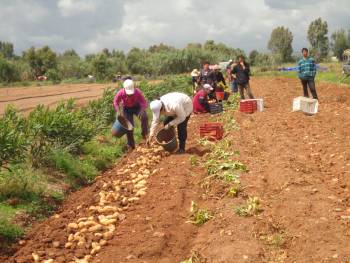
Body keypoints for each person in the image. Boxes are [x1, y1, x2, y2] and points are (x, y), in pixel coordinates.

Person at [112, 79, 148, 150]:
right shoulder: (121, 93)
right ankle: (131, 145)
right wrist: (118, 111)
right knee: (129, 127)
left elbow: (144, 102)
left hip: (137, 107)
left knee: (144, 117)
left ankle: (144, 134)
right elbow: (115, 101)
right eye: (128, 94)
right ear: (124, 89)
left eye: (131, 94)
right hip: (127, 109)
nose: (130, 95)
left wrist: (142, 110)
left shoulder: (137, 92)